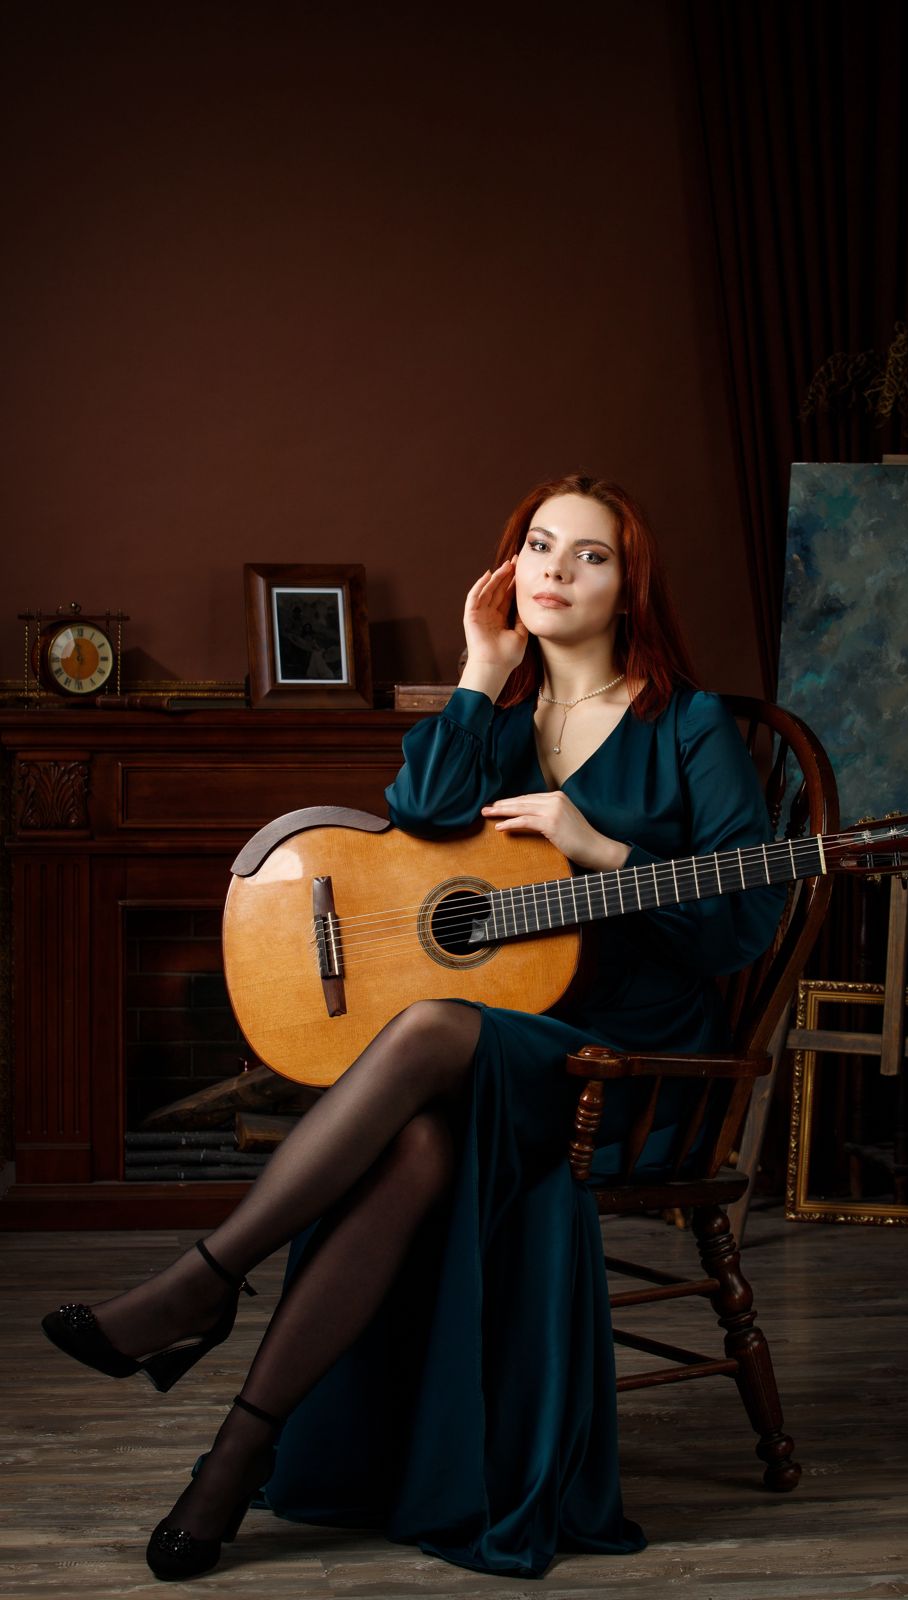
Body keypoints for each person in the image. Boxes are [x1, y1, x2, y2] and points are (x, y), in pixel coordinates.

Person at [42, 473, 785, 1582]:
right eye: (538, 545)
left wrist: (598, 846)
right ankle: (232, 1464)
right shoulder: (502, 716)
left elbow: (745, 920)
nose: (553, 569)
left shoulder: (688, 726)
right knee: (421, 1142)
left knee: (433, 1027)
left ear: (632, 587)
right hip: (492, 1049)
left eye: (589, 554)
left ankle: (204, 1280)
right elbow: (418, 824)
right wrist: (479, 672)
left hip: (619, 1067)